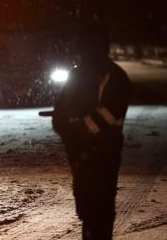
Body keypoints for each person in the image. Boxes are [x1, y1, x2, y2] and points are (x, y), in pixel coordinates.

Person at [52, 23, 131, 240]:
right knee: (88, 210)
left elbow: (106, 116)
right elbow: (60, 116)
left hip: (103, 156)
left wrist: (75, 128)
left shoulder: (114, 78)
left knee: (100, 213)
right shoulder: (79, 75)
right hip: (83, 157)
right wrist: (71, 130)